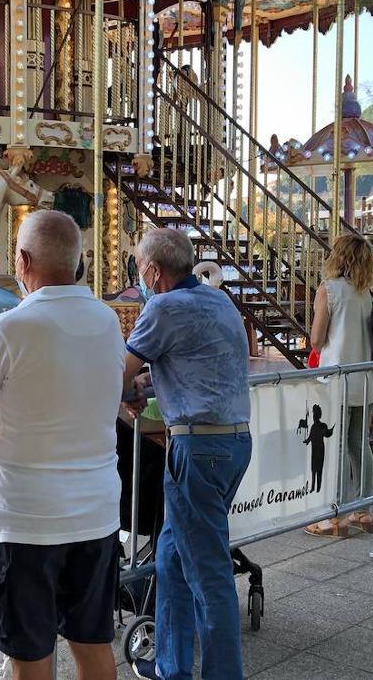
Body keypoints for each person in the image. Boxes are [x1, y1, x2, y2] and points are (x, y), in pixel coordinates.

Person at [0, 210, 124, 680]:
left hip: (25, 520)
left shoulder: (12, 326)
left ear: (23, 260)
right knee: (93, 644)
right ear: (77, 263)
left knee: (30, 658)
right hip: (95, 512)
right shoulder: (107, 321)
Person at [122, 227, 251, 680]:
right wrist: (149, 385)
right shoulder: (219, 300)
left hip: (197, 448)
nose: (138, 278)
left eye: (138, 269)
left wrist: (126, 391)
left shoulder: (163, 306)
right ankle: (169, 665)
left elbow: (122, 368)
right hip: (232, 442)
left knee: (209, 575)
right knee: (172, 556)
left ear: (153, 271)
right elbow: (202, 366)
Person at [304, 233, 373, 537]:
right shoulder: (367, 295)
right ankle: (363, 512)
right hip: (366, 380)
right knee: (359, 444)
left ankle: (332, 515)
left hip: (336, 380)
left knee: (334, 447)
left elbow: (316, 339)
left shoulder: (330, 290)